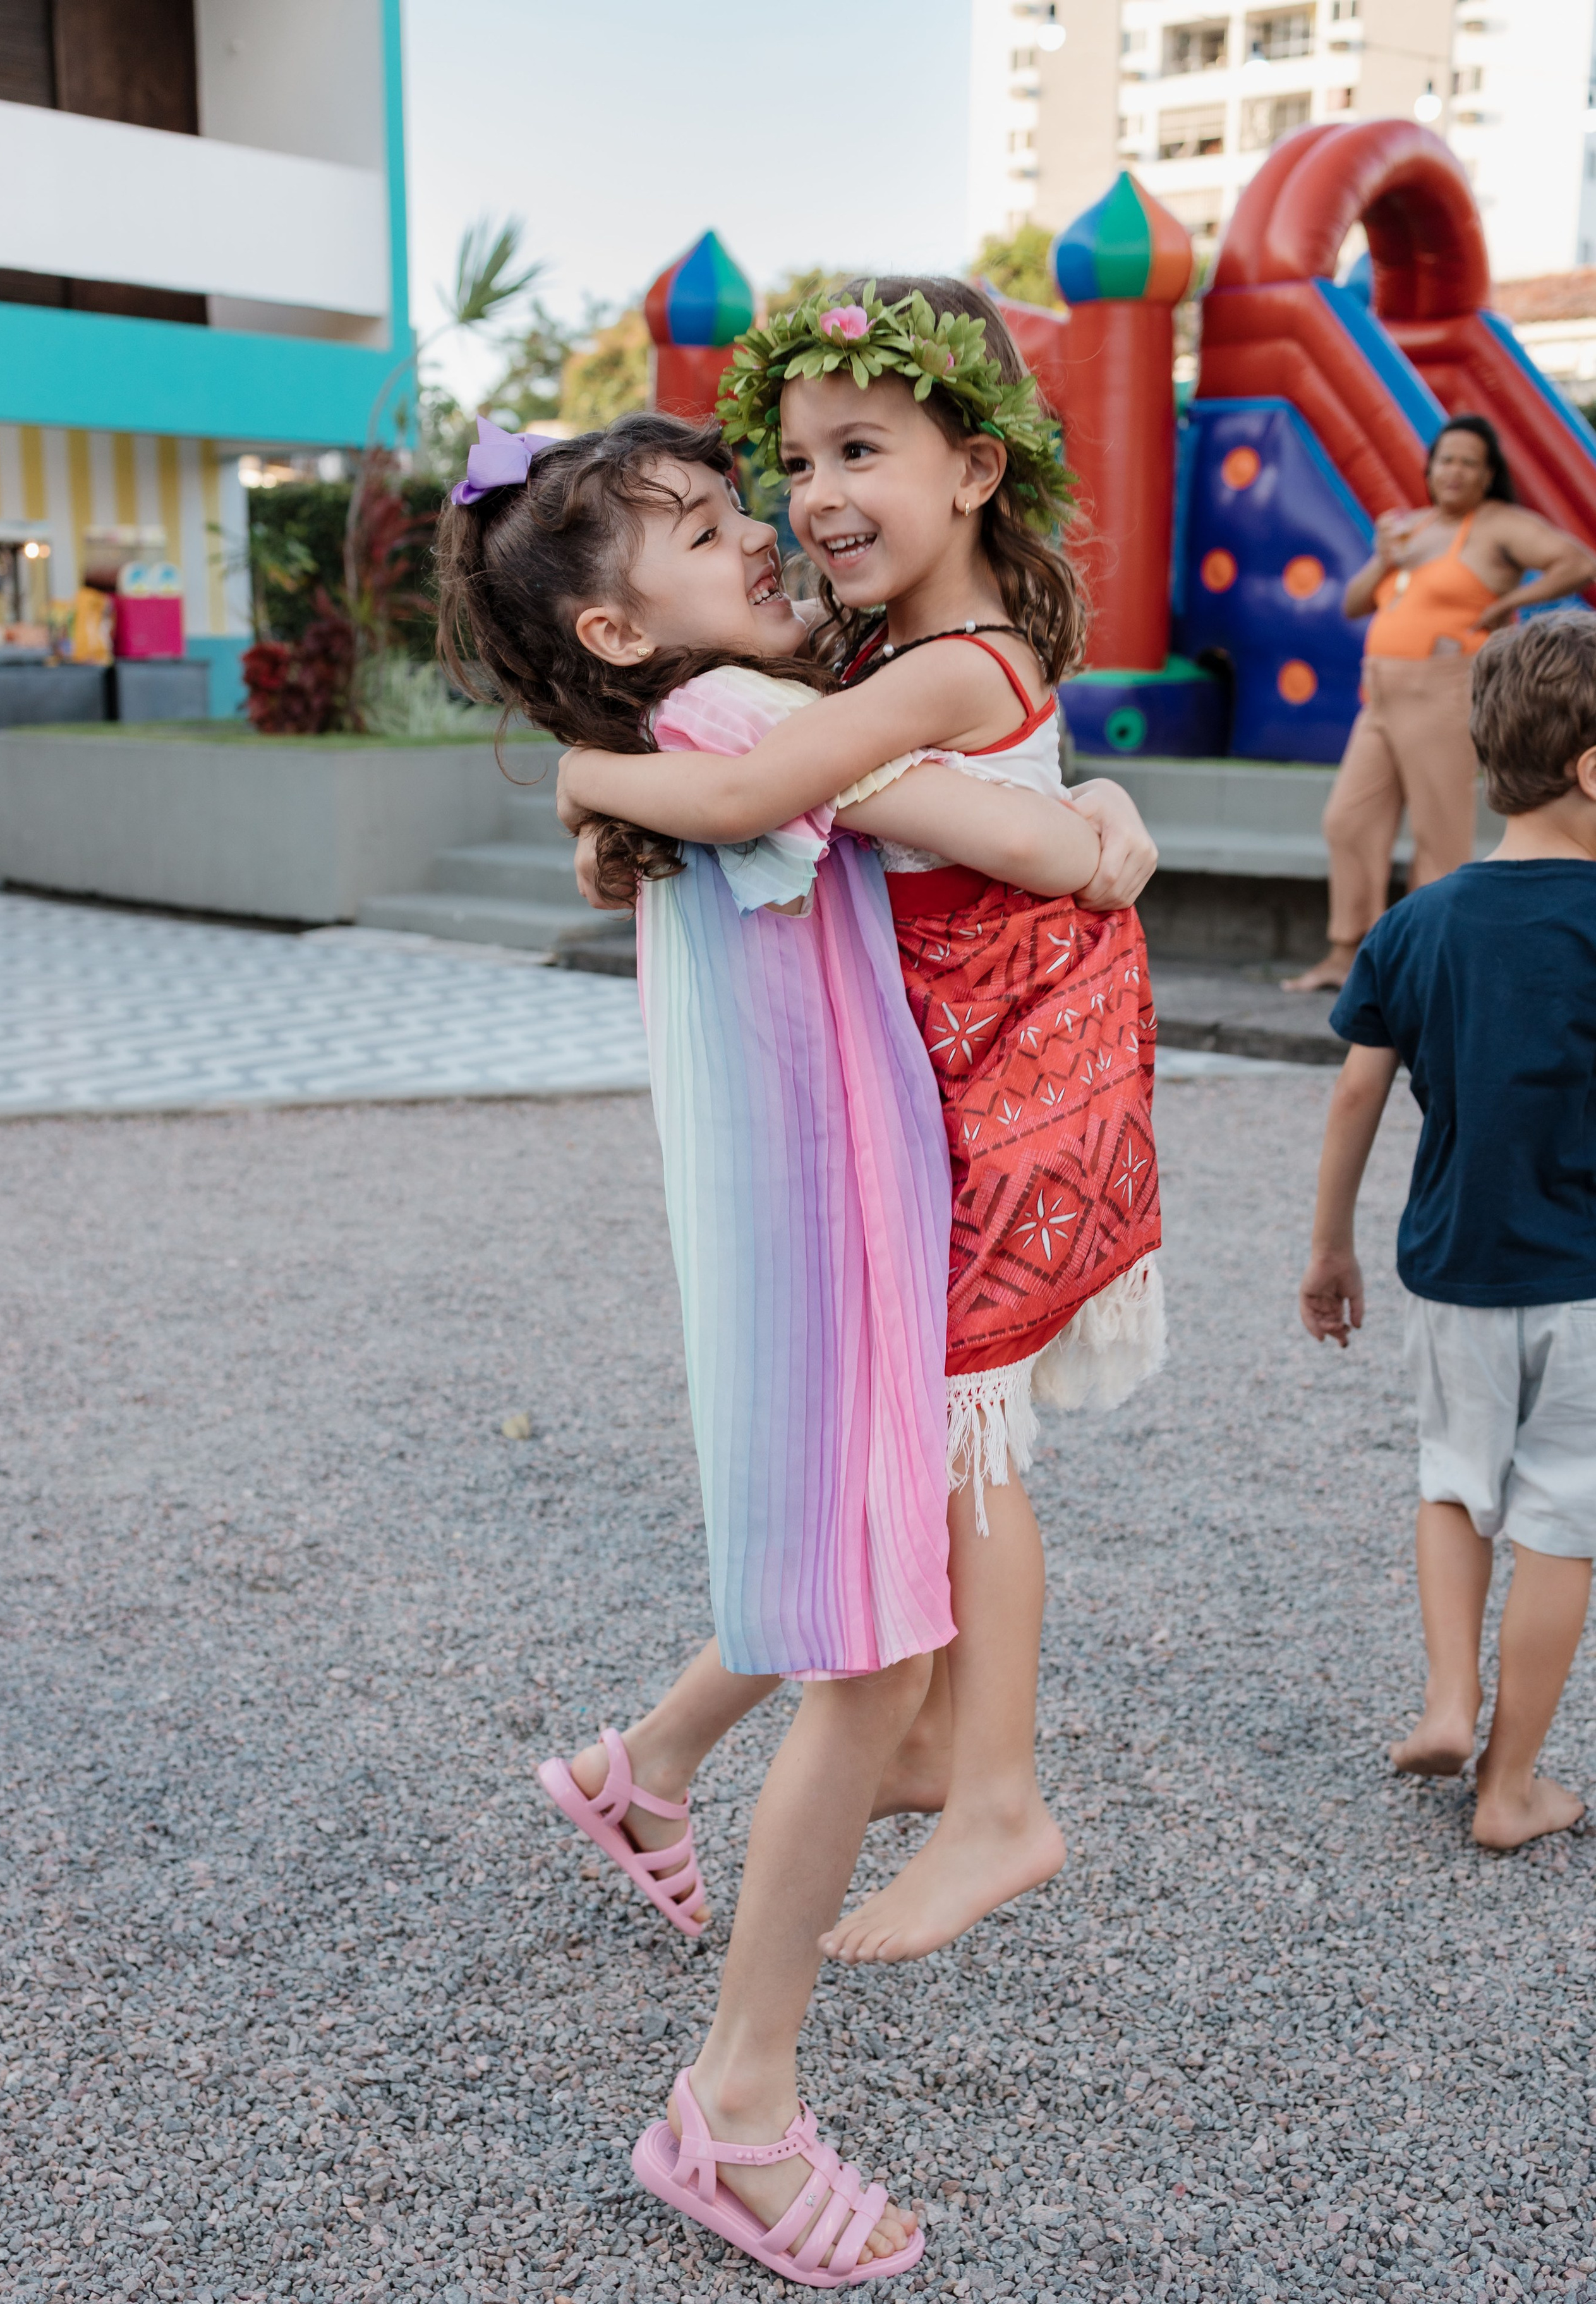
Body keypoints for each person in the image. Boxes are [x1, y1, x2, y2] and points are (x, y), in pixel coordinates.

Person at [438, 408, 1122, 2284]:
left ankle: (643, 1781)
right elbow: (1022, 836)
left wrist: (595, 775)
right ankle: (733, 2105)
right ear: (612, 631)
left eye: (736, 506)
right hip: (828, 1236)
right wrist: (1110, 828)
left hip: (818, 1225)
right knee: (868, 1646)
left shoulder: (696, 725)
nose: (755, 534)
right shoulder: (726, 729)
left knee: (862, 1602)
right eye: (695, 526)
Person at [553, 279, 1164, 1967]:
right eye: (797, 456)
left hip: (1016, 1086)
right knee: (923, 1433)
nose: (813, 493)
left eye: (861, 449)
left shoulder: (938, 671)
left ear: (974, 468)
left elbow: (756, 788)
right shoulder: (878, 658)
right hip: (981, 1079)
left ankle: (998, 1799)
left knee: (964, 1434)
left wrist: (583, 772)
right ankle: (854, 1751)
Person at [1298, 611, 1596, 1849]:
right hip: (1586, 1282)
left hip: (1453, 1273)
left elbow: (1356, 1091)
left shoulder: (1416, 924)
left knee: (1450, 1484)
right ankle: (1507, 1787)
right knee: (1561, 1519)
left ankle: (1440, 1698)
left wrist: (1328, 1247)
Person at [1285, 414, 1596, 994]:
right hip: (1380, 694)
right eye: (1445, 459)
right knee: (1348, 820)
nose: (1454, 471)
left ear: (1488, 475)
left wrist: (1510, 600)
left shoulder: (1499, 524)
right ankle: (1347, 955)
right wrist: (1383, 557)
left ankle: (1428, 967)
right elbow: (1354, 602)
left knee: (1439, 834)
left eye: (1469, 462)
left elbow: (1578, 562)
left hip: (1445, 689)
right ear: (1430, 468)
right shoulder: (1414, 529)